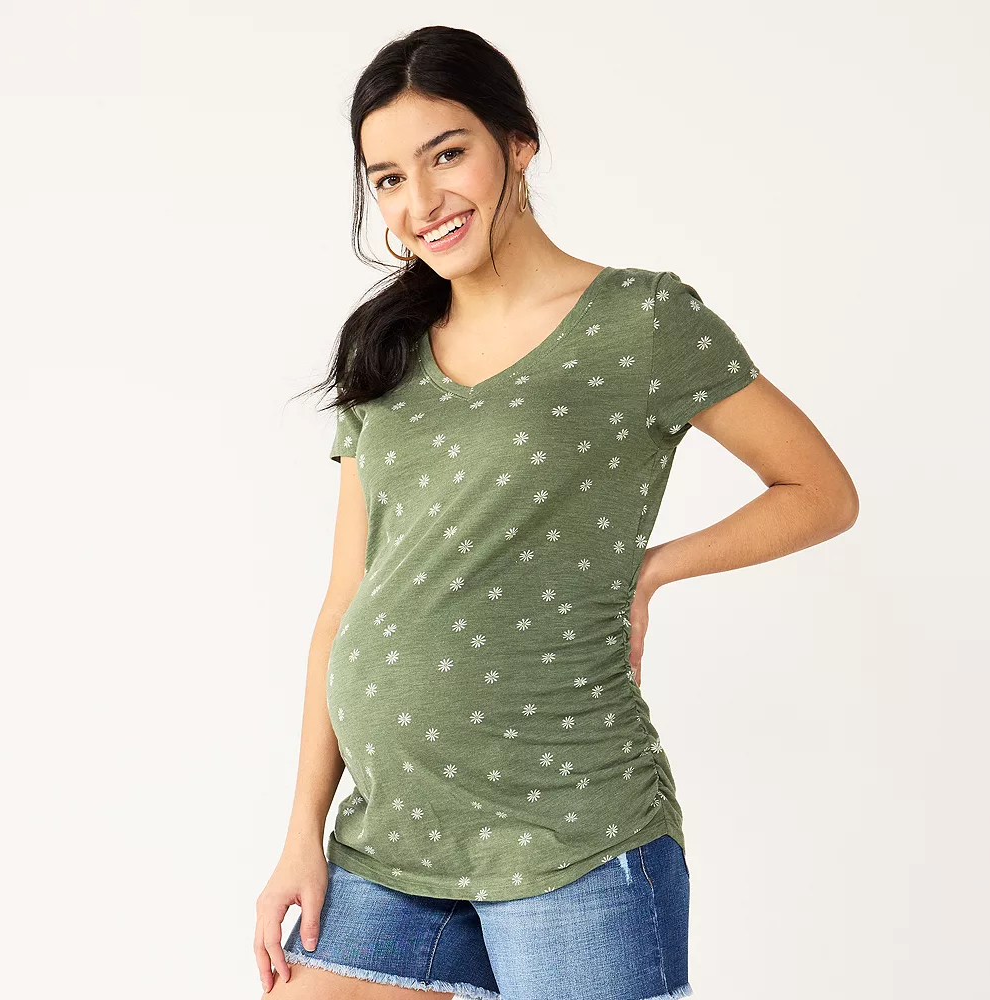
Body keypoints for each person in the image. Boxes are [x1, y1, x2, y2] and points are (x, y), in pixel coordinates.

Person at [254, 24, 859, 1000]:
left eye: (447, 155)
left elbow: (821, 490)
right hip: (390, 837)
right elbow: (342, 605)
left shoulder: (641, 320)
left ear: (517, 143)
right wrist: (298, 835)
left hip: (570, 831)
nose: (421, 202)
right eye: (389, 178)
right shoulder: (384, 350)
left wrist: (653, 568)